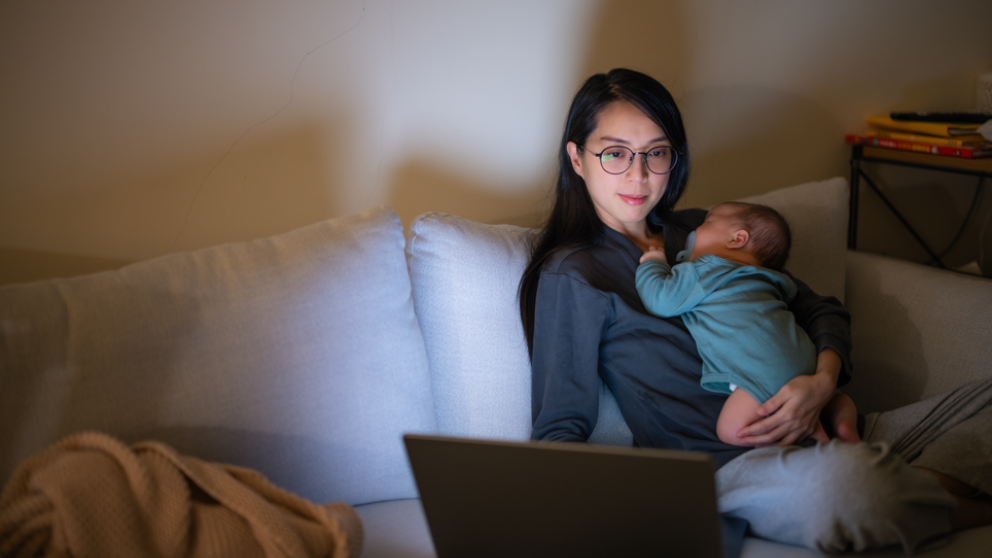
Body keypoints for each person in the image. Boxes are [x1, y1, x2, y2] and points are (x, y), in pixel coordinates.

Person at [519, 67, 992, 553]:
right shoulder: (574, 274)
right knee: (845, 487)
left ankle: (907, 485)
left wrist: (823, 382)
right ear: (577, 158)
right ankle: (938, 492)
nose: (638, 175)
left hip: (830, 427)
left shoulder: (703, 231)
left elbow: (818, 309)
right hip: (737, 468)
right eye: (615, 153)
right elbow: (559, 431)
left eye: (656, 153)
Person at [634, 201, 858, 447]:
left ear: (737, 239)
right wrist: (825, 380)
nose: (695, 229)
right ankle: (840, 416)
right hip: (807, 358)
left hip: (765, 371)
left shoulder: (704, 268)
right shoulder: (771, 280)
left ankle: (799, 439)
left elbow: (661, 300)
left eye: (707, 222)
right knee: (834, 400)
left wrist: (653, 264)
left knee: (730, 430)